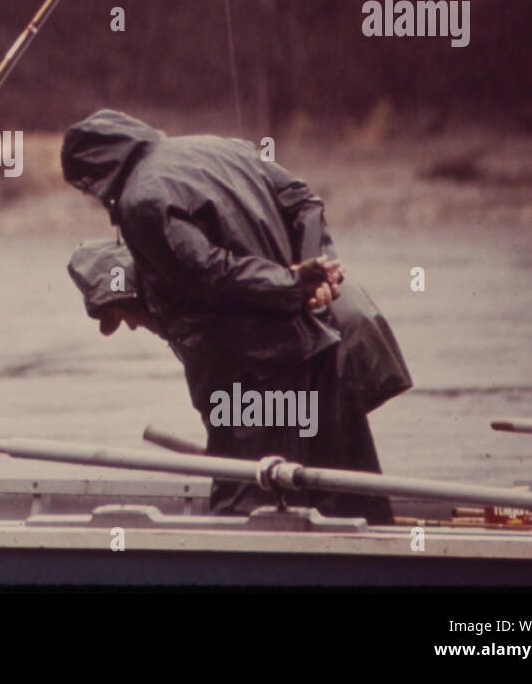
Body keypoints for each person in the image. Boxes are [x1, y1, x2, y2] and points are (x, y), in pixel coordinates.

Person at [62, 109, 408, 525]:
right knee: (343, 494)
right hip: (319, 346)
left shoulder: (141, 200)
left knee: (245, 505)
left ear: (96, 171)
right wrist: (317, 266)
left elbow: (207, 273)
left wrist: (292, 282)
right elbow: (304, 200)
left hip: (251, 368)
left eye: (87, 188)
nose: (94, 197)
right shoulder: (223, 146)